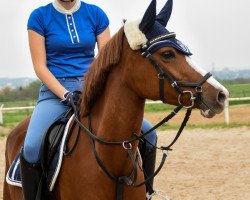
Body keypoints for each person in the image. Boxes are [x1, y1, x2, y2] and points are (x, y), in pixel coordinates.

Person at [21, 0, 157, 199]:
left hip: (91, 89)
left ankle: (147, 192)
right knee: (32, 147)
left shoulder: (96, 14)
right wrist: (64, 94)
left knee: (149, 135)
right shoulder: (39, 17)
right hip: (55, 92)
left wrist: (98, 90)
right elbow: (40, 67)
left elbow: (107, 59)